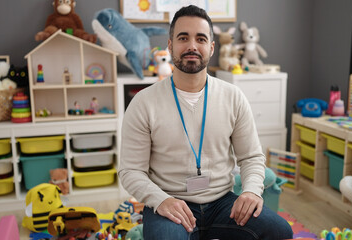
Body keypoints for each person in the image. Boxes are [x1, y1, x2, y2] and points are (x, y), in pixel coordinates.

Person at [119, 5, 293, 240]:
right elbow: (131, 171)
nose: (192, 46)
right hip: (170, 201)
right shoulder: (143, 102)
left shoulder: (233, 97)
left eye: (200, 39)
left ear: (211, 48)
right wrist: (162, 201)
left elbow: (251, 157)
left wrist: (251, 192)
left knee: (280, 232)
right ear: (170, 45)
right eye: (183, 38)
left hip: (222, 203)